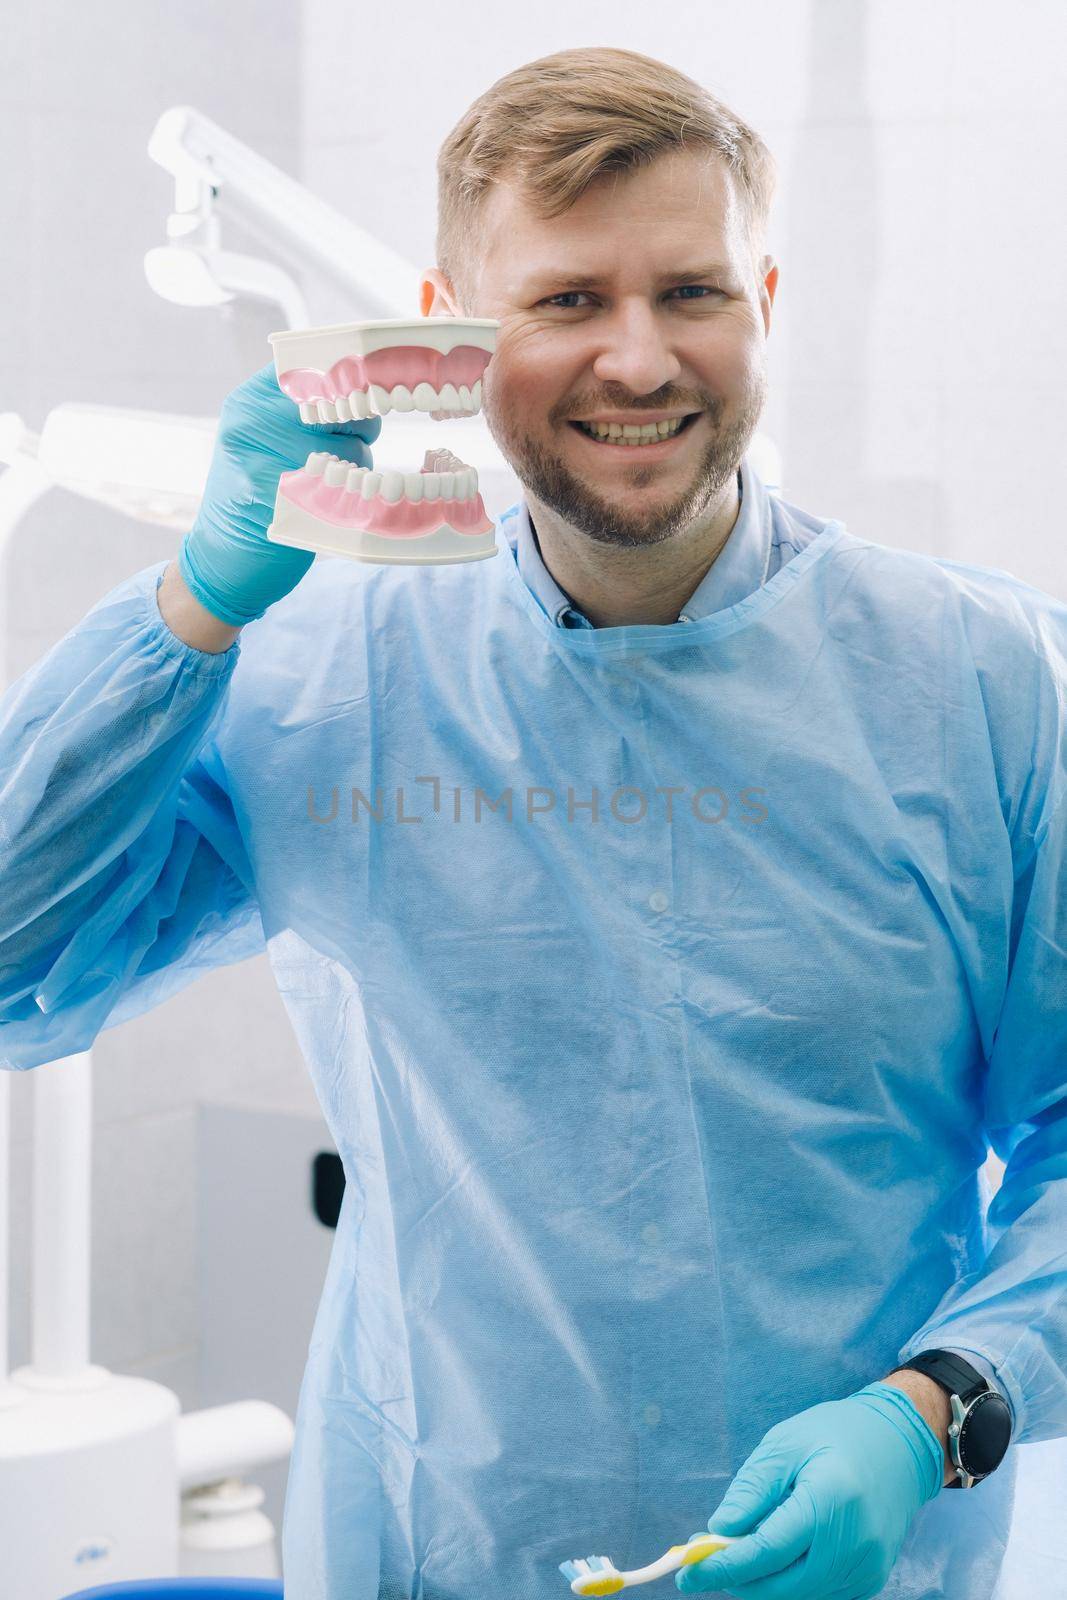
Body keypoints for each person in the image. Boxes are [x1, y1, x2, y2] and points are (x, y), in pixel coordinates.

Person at [1, 45, 1064, 1600]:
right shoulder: (322, 672)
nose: (638, 361)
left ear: (765, 296)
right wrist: (190, 611)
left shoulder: (987, 687)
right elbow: (18, 967)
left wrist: (933, 1416)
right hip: (433, 1547)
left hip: (864, 1562)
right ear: (449, 326)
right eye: (567, 300)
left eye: (690, 292)